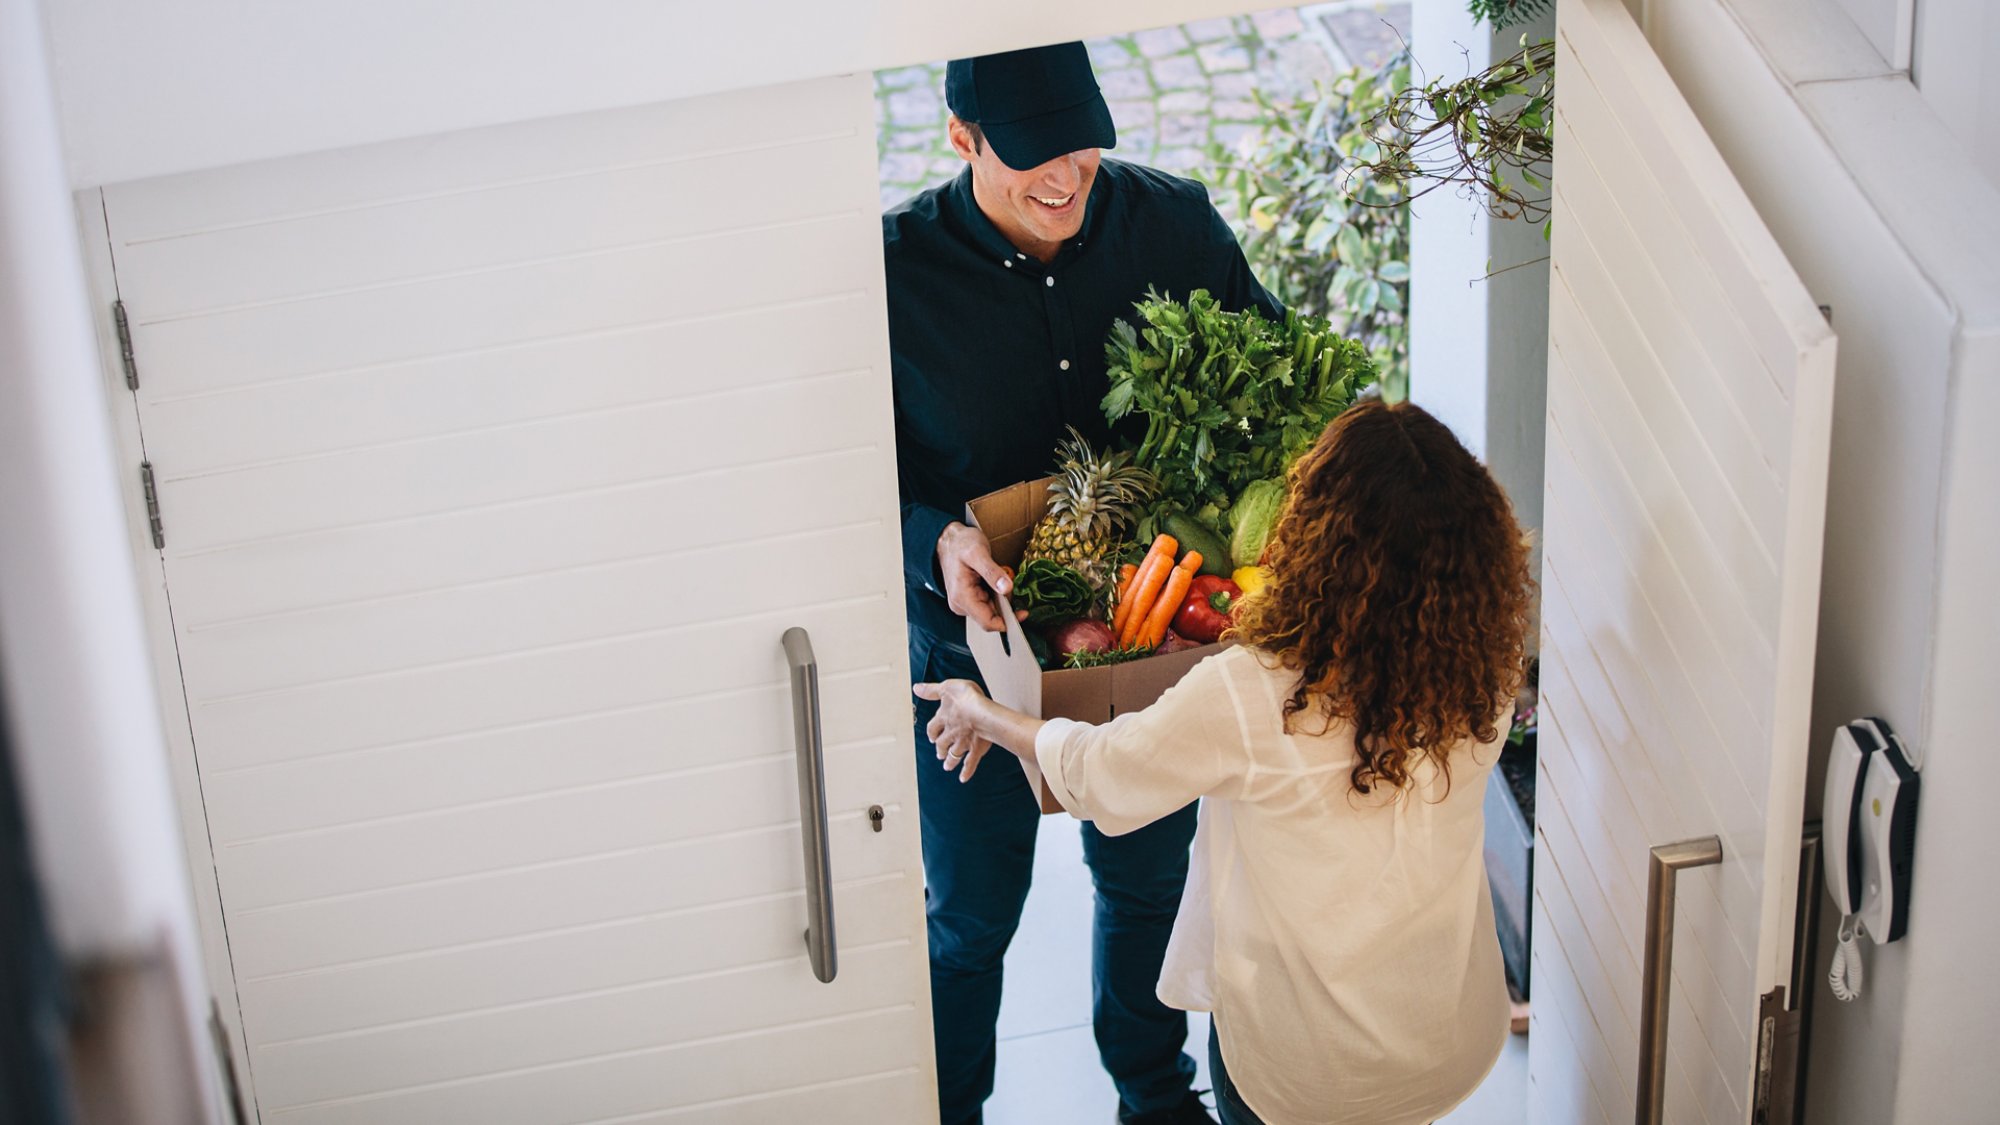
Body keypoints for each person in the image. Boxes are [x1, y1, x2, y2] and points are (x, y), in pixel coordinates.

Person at [916, 401, 1536, 1125]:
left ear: (1316, 541)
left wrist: (982, 708)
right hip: (1447, 1036)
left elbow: (1100, 772)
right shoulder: (1486, 660)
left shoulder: (1258, 690)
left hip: (1308, 1072)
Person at [884, 40, 1282, 1125]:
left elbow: (1273, 378)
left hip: (1143, 641)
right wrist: (936, 542)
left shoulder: (1172, 224)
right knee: (969, 920)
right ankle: (946, 1112)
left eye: (1083, 150)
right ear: (960, 137)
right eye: (1030, 158)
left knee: (1147, 883)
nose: (1064, 178)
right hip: (968, 648)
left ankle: (1153, 1096)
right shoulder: (887, 274)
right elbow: (844, 470)